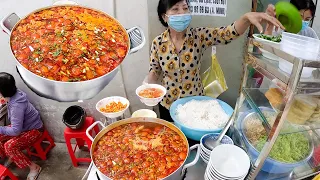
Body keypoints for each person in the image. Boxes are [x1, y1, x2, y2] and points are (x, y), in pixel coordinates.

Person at [144, 0, 283, 122]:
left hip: (195, 105)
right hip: (167, 104)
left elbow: (227, 33)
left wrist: (246, 18)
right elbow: (155, 71)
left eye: (185, 8)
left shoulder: (199, 36)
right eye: (175, 9)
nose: (182, 13)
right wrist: (146, 89)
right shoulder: (158, 43)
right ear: (164, 17)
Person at [0, 72, 43, 180]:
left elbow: (15, 131)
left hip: (35, 130)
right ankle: (11, 156)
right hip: (24, 127)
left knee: (9, 146)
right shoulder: (14, 93)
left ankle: (34, 168)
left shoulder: (16, 106)